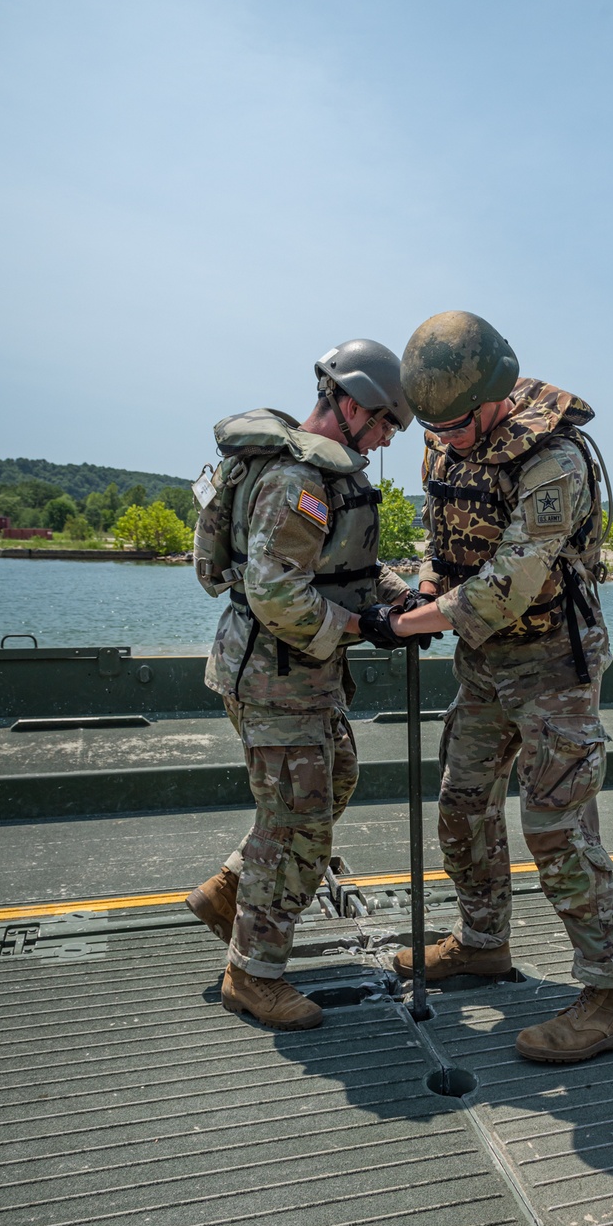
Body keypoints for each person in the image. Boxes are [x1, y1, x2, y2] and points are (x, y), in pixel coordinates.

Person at [360, 310, 613, 1063]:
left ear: (493, 398)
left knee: (556, 828)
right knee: (462, 803)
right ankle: (483, 942)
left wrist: (411, 624)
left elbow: (505, 588)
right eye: (434, 427)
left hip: (552, 662)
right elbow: (442, 537)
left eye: (455, 425)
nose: (443, 439)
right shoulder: (443, 437)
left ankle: (611, 997)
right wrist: (420, 585)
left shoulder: (557, 461)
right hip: (484, 666)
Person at [187, 339, 421, 1028]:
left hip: (299, 675)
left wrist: (398, 599)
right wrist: (363, 627)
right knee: (298, 828)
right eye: (383, 424)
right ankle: (252, 973)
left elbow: (341, 569)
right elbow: (278, 596)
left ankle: (230, 889)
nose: (383, 441)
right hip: (275, 675)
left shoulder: (326, 478)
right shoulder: (297, 483)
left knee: (335, 776)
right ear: (350, 403)